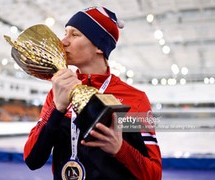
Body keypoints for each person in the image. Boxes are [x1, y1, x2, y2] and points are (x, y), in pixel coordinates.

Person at [23, 6, 162, 180]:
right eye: (65, 33)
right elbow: (32, 160)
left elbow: (154, 175)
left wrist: (120, 149)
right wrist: (56, 108)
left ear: (99, 46)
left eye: (74, 35)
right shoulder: (58, 92)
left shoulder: (134, 99)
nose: (63, 41)